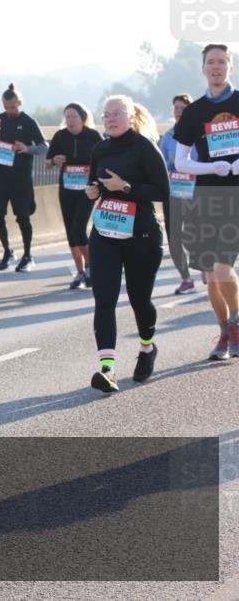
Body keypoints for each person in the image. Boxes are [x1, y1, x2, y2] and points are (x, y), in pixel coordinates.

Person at [86, 96, 168, 393]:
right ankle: (107, 369)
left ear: (131, 116)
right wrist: (93, 192)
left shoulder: (145, 148)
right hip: (106, 232)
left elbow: (163, 191)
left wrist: (126, 187)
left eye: (116, 114)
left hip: (141, 235)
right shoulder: (100, 149)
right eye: (106, 115)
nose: (110, 119)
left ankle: (147, 347)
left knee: (139, 299)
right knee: (104, 299)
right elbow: (94, 186)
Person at [173, 43, 239, 360]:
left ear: (230, 66)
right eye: (211, 62)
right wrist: (212, 167)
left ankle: (236, 326)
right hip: (206, 199)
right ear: (203, 68)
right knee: (211, 276)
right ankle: (224, 334)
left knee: (223, 268)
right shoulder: (194, 112)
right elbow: (180, 161)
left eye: (222, 61)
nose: (216, 66)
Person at [0, 83, 48, 272]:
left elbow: (44, 146)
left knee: (23, 217)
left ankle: (28, 255)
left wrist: (27, 148)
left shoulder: (29, 122)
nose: (10, 111)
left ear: (20, 103)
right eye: (7, 107)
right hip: (1, 176)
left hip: (21, 178)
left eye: (13, 107)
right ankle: (7, 251)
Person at [46, 103, 104, 289]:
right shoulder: (60, 136)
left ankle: (92, 266)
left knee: (78, 228)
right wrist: (54, 160)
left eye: (74, 117)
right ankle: (80, 272)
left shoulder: (93, 136)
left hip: (87, 190)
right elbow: (47, 163)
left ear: (82, 118)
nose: (70, 121)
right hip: (67, 188)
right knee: (70, 232)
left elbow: (104, 159)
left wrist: (95, 173)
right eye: (67, 117)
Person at [159, 94, 198, 295]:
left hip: (196, 194)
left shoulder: (200, 134)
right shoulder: (167, 137)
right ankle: (186, 279)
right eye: (176, 107)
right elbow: (161, 165)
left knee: (194, 237)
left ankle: (206, 268)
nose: (179, 111)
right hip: (173, 194)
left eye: (183, 107)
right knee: (174, 239)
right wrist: (172, 165)